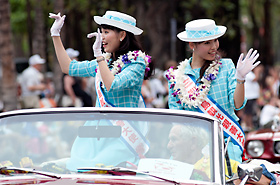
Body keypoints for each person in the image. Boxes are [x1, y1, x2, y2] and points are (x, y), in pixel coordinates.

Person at [49, 10, 153, 170]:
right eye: (101, 32)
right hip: (95, 132)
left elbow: (114, 84)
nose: (102, 37)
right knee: (81, 172)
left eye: (106, 32)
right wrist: (55, 35)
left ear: (122, 35)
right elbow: (68, 67)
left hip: (122, 137)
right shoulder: (105, 60)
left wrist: (98, 56)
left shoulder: (136, 62)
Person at [166, 19, 260, 168]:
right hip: (191, 149)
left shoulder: (226, 66)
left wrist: (241, 78)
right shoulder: (177, 77)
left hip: (225, 143)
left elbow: (237, 104)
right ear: (192, 45)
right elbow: (177, 118)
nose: (214, 47)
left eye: (215, 41)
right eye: (207, 43)